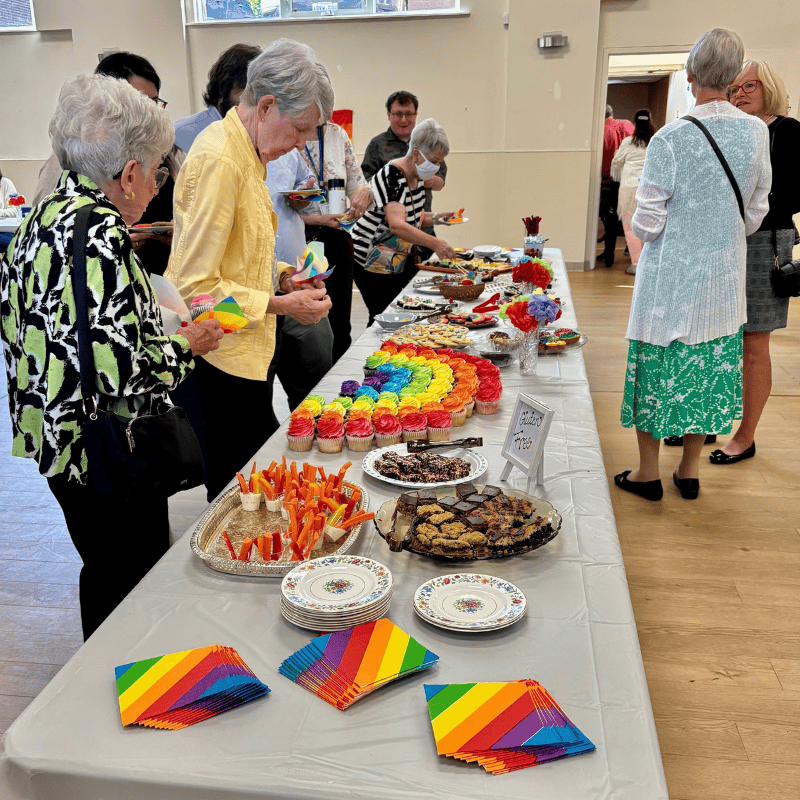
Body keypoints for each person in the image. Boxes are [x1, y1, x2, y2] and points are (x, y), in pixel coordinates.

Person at [0, 74, 223, 639]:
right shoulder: (100, 230)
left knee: (103, 566)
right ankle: (126, 677)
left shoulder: (43, 215)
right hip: (106, 446)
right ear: (128, 174)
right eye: (156, 172)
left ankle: (110, 672)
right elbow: (120, 371)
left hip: (59, 440)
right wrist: (188, 344)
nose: (155, 185)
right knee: (129, 581)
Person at [166, 38, 333, 502]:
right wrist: (281, 304)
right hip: (218, 359)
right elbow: (195, 289)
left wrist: (283, 276)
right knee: (238, 492)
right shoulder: (221, 160)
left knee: (257, 482)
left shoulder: (247, 152)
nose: (301, 145)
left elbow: (245, 254)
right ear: (266, 106)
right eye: (300, 130)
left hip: (244, 351)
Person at [614, 28, 771, 503]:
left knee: (656, 375)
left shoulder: (670, 138)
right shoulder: (756, 131)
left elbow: (648, 223)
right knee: (704, 378)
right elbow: (756, 211)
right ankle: (688, 470)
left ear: (689, 74)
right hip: (722, 281)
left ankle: (647, 473)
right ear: (734, 76)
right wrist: (719, 232)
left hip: (669, 282)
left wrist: (643, 223)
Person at [701, 60, 800, 465]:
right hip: (724, 242)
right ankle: (706, 421)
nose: (739, 93)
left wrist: (750, 205)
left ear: (768, 88)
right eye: (734, 88)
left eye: (749, 86)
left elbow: (794, 194)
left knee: (754, 344)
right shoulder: (731, 131)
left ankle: (745, 436)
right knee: (714, 337)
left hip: (764, 243)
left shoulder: (787, 131)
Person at [351, 118, 457, 324]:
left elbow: (413, 217)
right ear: (416, 154)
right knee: (384, 315)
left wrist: (438, 218)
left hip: (394, 256)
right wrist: (436, 243)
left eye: (440, 162)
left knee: (404, 309)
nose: (437, 167)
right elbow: (397, 225)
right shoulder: (393, 175)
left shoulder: (417, 175)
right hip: (369, 258)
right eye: (434, 161)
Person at [299, 117, 372, 362]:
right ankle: (316, 379)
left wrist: (363, 192)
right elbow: (277, 207)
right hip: (304, 241)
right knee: (312, 326)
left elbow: (358, 183)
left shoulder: (336, 134)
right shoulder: (288, 131)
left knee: (340, 323)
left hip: (337, 238)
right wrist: (318, 219)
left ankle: (340, 377)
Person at [266, 149, 335, 409]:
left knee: (317, 388)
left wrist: (302, 196)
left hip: (298, 280)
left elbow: (305, 191)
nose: (300, 141)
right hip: (255, 299)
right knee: (257, 402)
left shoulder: (291, 152)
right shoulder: (222, 148)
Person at [361, 90, 447, 251]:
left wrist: (429, 179)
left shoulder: (428, 142)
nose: (403, 120)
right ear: (389, 115)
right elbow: (365, 184)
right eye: (398, 114)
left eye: (408, 114)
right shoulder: (377, 145)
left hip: (423, 228)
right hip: (389, 238)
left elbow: (440, 182)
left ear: (415, 115)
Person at [173, 43, 262, 154]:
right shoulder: (180, 136)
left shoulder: (268, 140)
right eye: (247, 94)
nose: (257, 103)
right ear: (222, 90)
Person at [610, 108, 654, 276]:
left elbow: (617, 162)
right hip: (650, 188)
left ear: (635, 123)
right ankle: (647, 263)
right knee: (647, 226)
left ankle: (636, 264)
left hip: (629, 187)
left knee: (629, 227)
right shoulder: (656, 141)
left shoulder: (628, 142)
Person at [599, 104, 634, 267]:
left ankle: (609, 254)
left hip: (609, 181)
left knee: (609, 219)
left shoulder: (601, 131)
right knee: (630, 216)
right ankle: (630, 250)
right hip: (629, 181)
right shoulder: (627, 125)